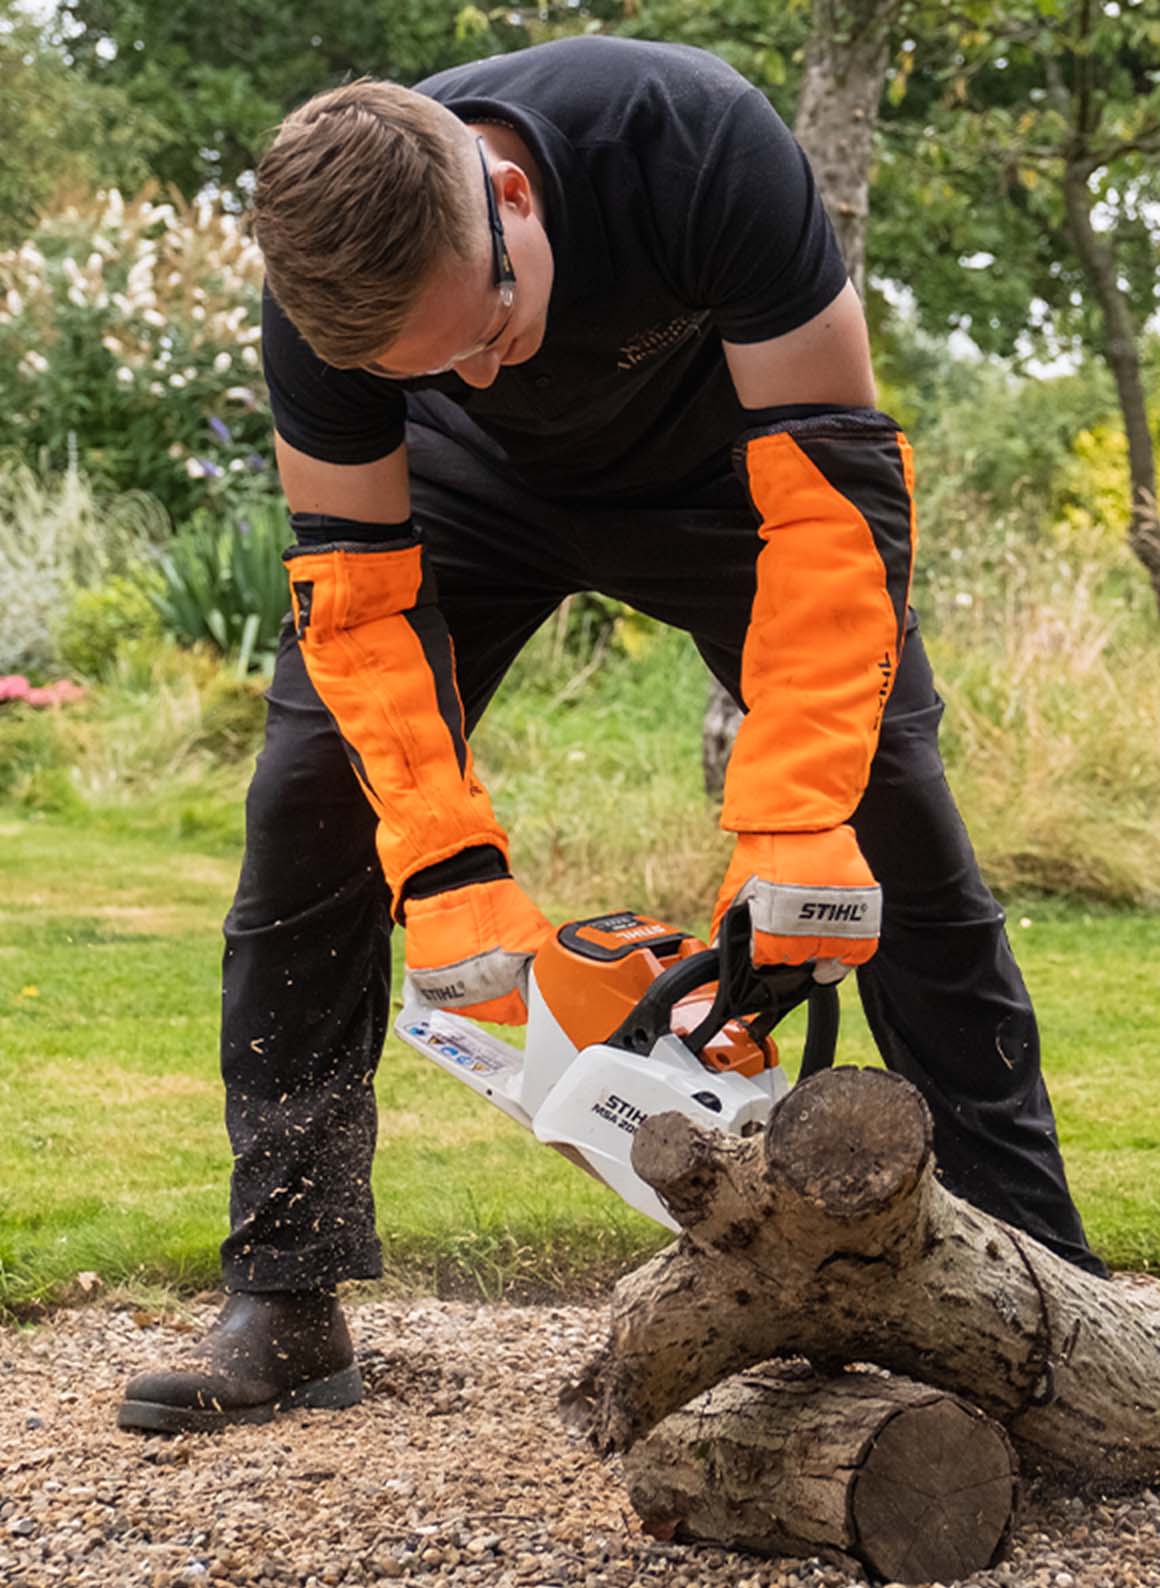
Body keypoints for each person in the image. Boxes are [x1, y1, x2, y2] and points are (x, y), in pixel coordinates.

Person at [118, 34, 1104, 1435]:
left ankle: (1054, 1294)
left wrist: (794, 819)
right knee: (307, 817)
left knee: (894, 829)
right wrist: (451, 883)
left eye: (488, 327)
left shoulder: (693, 143)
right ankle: (287, 1294)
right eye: (429, 364)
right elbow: (355, 600)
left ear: (512, 195)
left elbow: (831, 493)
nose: (472, 371)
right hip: (474, 504)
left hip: (732, 469)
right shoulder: (329, 300)